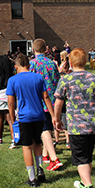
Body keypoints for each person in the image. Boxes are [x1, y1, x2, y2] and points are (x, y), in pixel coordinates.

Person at [54, 48, 95, 188]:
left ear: (69, 62)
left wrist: (56, 120)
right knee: (87, 155)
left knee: (80, 159)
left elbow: (58, 103)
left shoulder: (65, 80)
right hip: (92, 124)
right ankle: (85, 182)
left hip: (76, 126)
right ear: (86, 61)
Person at [7, 54, 58, 187]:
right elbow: (46, 97)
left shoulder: (13, 80)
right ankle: (40, 169)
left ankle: (32, 177)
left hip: (24, 117)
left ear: (16, 67)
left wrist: (13, 119)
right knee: (37, 142)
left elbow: (11, 103)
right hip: (39, 115)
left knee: (26, 146)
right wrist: (52, 115)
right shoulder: (38, 77)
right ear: (29, 66)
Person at [29, 38, 63, 172]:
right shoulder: (52, 63)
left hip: (39, 101)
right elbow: (57, 80)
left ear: (33, 50)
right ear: (46, 49)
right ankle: (45, 155)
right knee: (47, 128)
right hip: (53, 100)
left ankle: (54, 159)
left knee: (44, 130)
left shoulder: (33, 64)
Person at [0, 55, 14, 146]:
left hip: (0, 97)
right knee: (10, 119)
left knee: (0, 118)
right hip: (9, 97)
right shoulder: (11, 75)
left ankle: (0, 138)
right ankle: (14, 139)